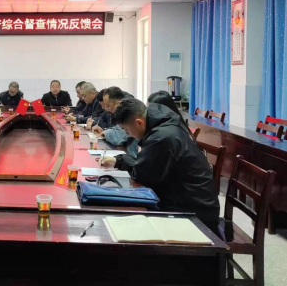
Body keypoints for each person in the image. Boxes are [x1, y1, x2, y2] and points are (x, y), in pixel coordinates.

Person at [102, 98, 220, 235]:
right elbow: (147, 167)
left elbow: (142, 175)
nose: (127, 134)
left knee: (124, 222)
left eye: (126, 130)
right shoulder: (164, 125)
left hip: (194, 214)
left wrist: (123, 161)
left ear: (139, 123)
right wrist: (122, 161)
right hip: (190, 202)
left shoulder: (161, 138)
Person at [92, 86, 138, 158]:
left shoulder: (129, 111)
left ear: (118, 103)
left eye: (108, 106)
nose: (106, 109)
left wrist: (105, 133)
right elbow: (116, 128)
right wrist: (105, 130)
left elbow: (118, 137)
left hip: (133, 157)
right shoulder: (121, 108)